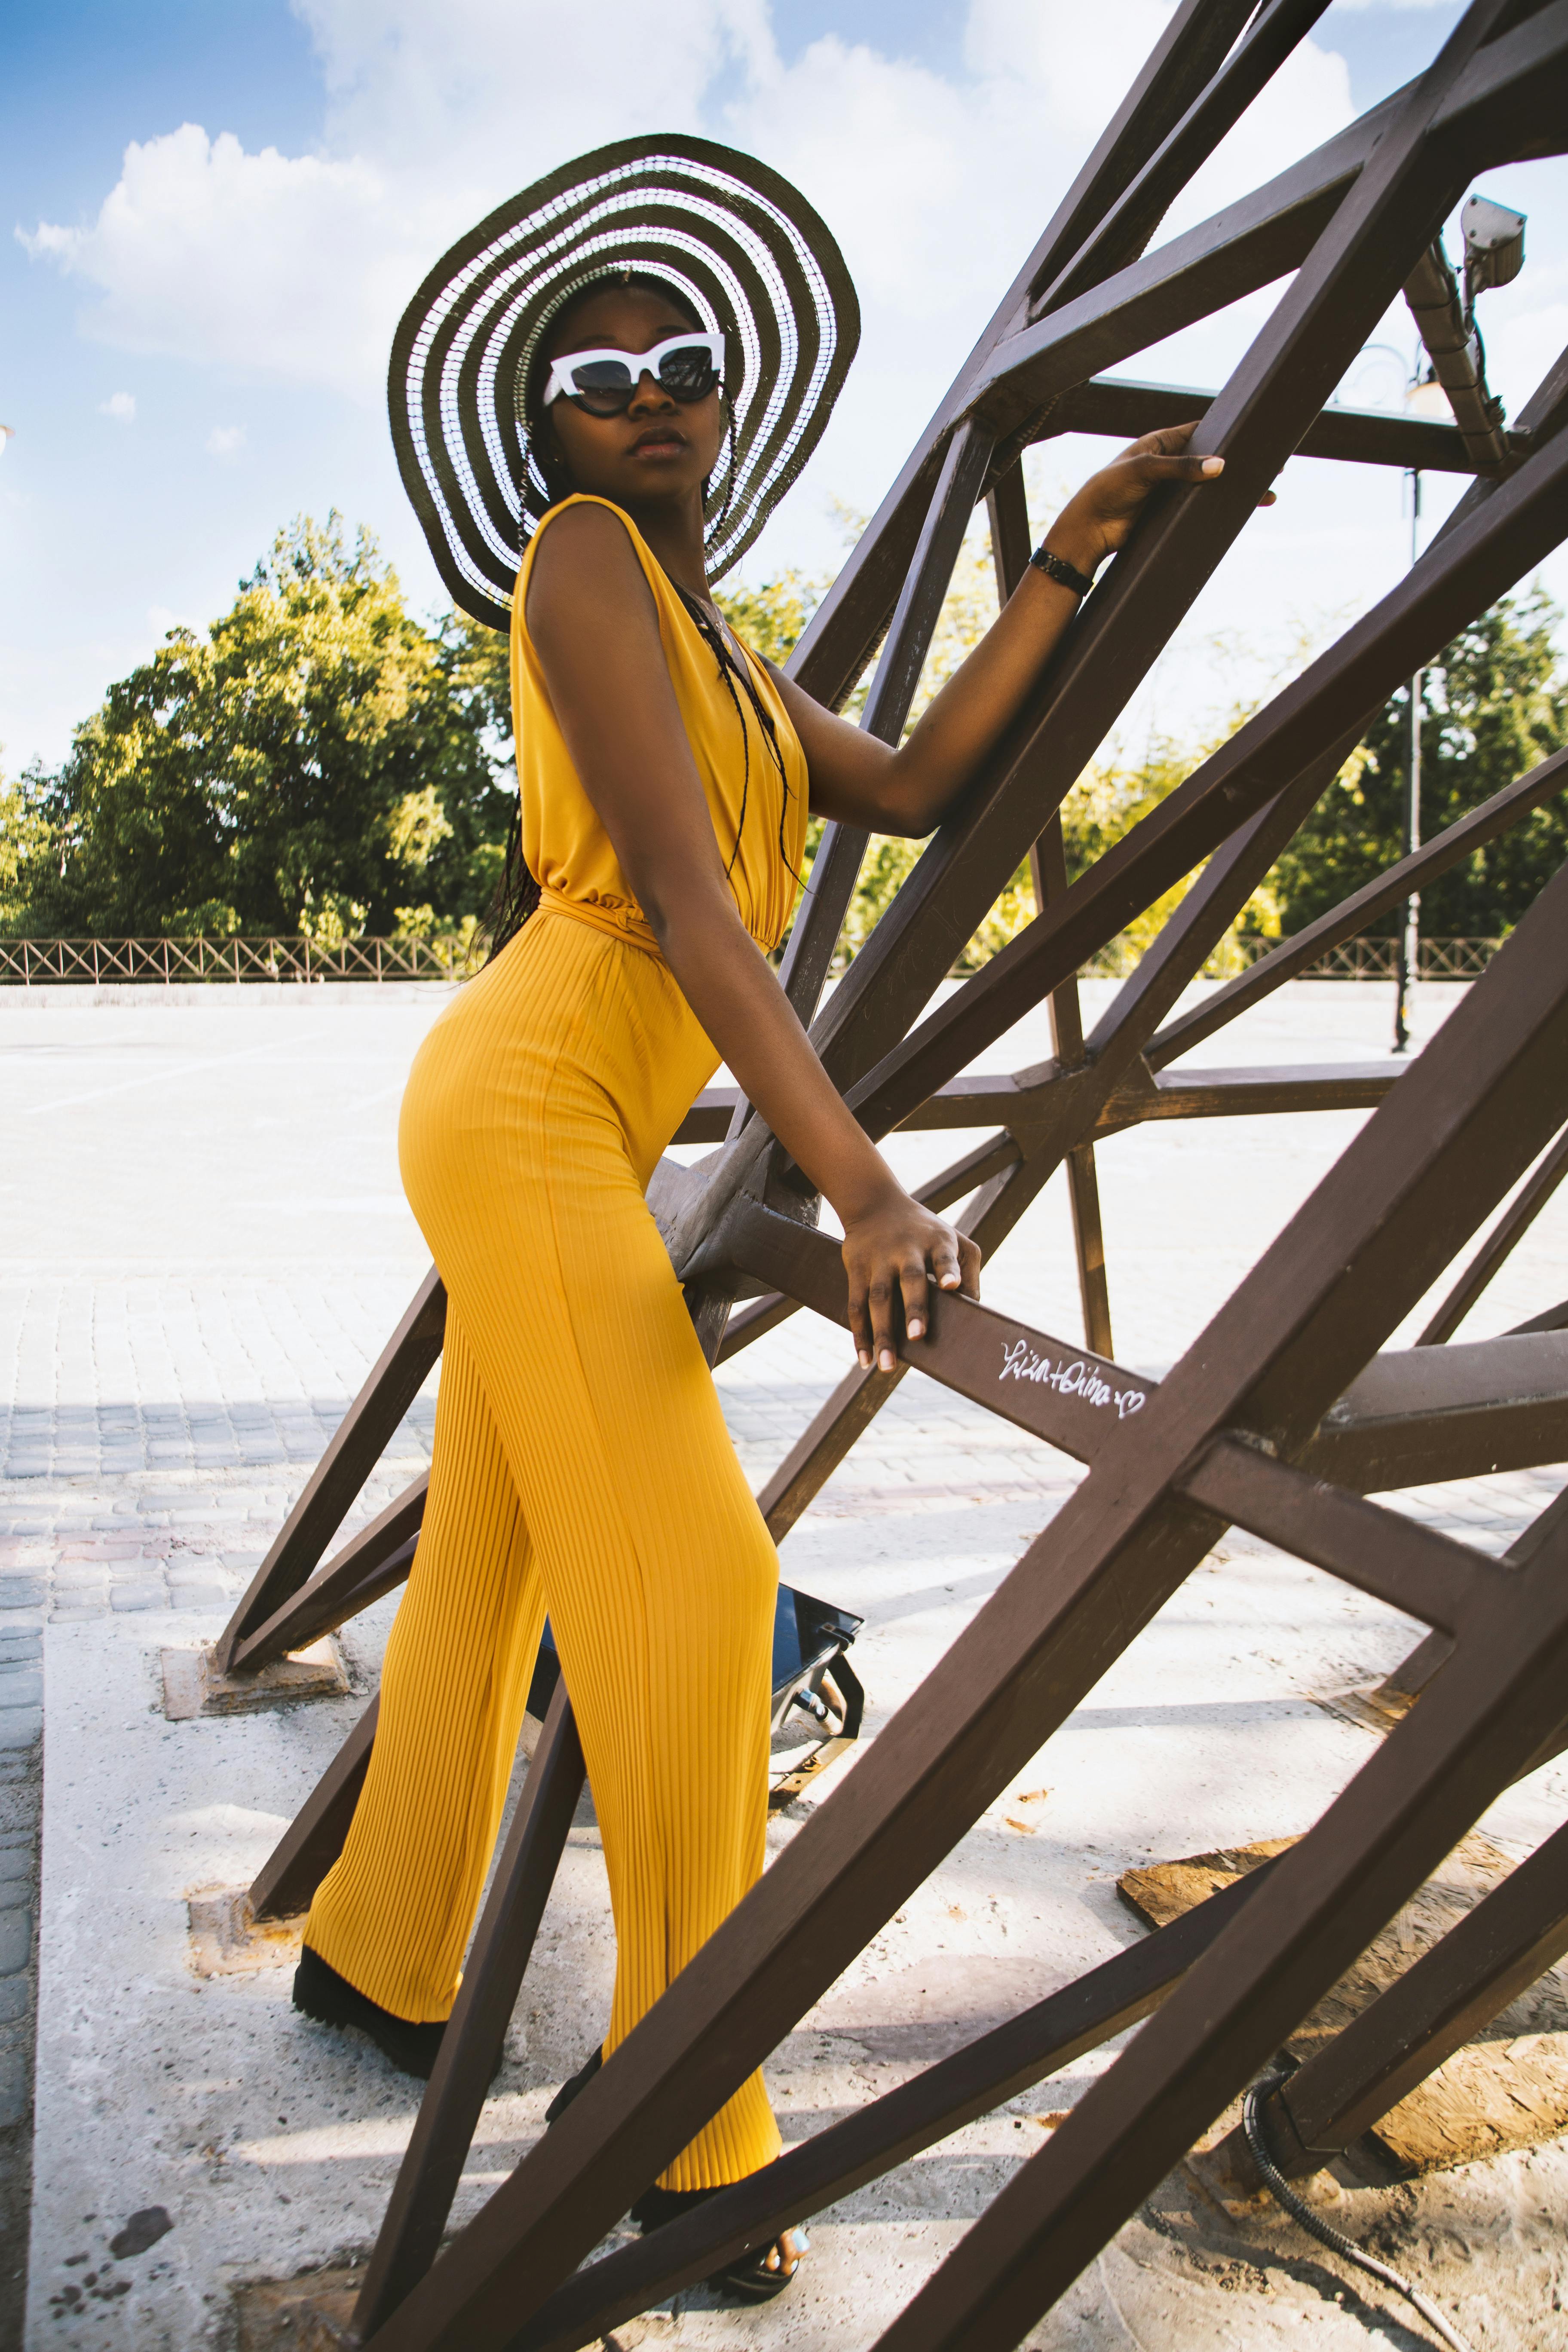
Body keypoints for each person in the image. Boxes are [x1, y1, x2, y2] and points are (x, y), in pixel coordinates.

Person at [290, 139, 1231, 2300]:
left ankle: (381, 1958)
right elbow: (694, 909)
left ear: (728, 407)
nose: (649, 396)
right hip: (529, 1103)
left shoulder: (710, 642)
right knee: (705, 1588)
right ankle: (683, 2128)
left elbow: (905, 781)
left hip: (557, 1120)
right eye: (597, 372)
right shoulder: (586, 563)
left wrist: (1064, 560)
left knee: (498, 1551)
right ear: (551, 429)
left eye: (681, 365)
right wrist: (865, 1180)